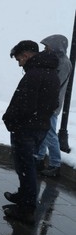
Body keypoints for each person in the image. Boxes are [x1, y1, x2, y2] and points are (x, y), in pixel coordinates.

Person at [2, 40, 59, 224]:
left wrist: (10, 119)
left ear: (26, 55)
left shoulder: (34, 74)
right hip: (40, 126)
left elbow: (24, 104)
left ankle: (26, 209)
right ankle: (24, 197)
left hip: (26, 128)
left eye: (19, 59)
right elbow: (54, 103)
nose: (19, 63)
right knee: (29, 165)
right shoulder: (51, 73)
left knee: (25, 166)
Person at [34, 34, 71, 178]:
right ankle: (39, 158)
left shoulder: (63, 63)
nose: (45, 49)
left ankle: (55, 164)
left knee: (49, 134)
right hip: (49, 104)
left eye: (47, 46)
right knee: (44, 133)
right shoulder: (57, 60)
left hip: (51, 105)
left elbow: (54, 84)